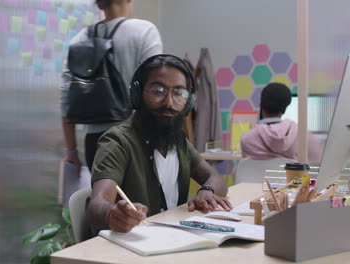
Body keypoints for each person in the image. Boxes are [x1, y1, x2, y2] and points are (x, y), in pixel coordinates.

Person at [87, 54, 232, 234]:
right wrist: (111, 213)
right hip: (130, 249)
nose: (169, 102)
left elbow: (216, 178)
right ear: (137, 95)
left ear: (188, 102)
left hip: (173, 240)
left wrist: (207, 190)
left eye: (178, 93)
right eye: (158, 91)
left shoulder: (178, 141)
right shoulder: (118, 141)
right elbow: (97, 203)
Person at [60, 0, 163, 172]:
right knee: (138, 199)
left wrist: (72, 151)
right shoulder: (144, 31)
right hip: (137, 138)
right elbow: (157, 88)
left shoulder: (80, 39)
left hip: (95, 142)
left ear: (99, 5)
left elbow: (65, 98)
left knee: (102, 198)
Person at [241, 82, 322, 163]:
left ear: (261, 105)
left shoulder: (246, 139)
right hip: (292, 176)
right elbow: (318, 161)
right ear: (285, 108)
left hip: (257, 176)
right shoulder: (302, 135)